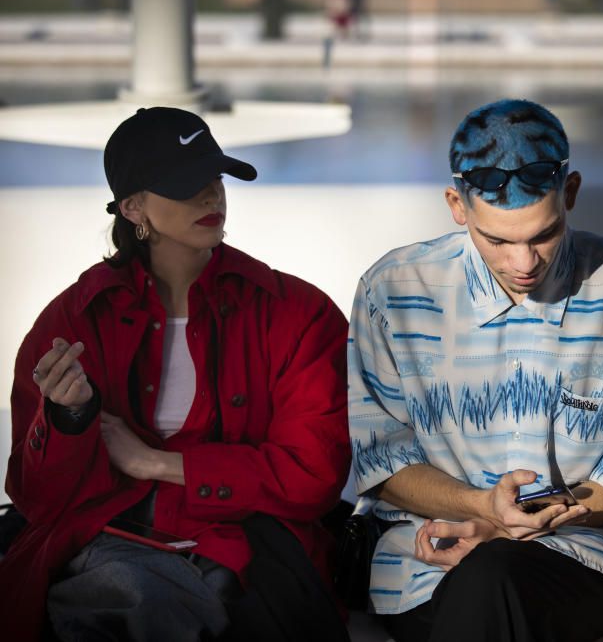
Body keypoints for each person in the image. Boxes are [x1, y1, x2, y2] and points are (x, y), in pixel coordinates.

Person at [0, 107, 351, 641]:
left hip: (246, 548)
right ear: (133, 207)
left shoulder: (297, 312)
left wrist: (156, 463)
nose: (211, 196)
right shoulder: (73, 319)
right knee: (129, 588)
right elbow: (37, 497)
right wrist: (69, 420)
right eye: (187, 185)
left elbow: (314, 476)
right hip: (107, 539)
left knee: (135, 597)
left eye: (215, 177)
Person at [348, 99, 603, 642]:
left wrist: (510, 524)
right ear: (457, 205)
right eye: (498, 241)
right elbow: (383, 463)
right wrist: (479, 508)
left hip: (581, 561)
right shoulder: (392, 289)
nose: (523, 264)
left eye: (543, 235)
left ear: (570, 193)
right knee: (485, 582)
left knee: (493, 575)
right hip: (424, 565)